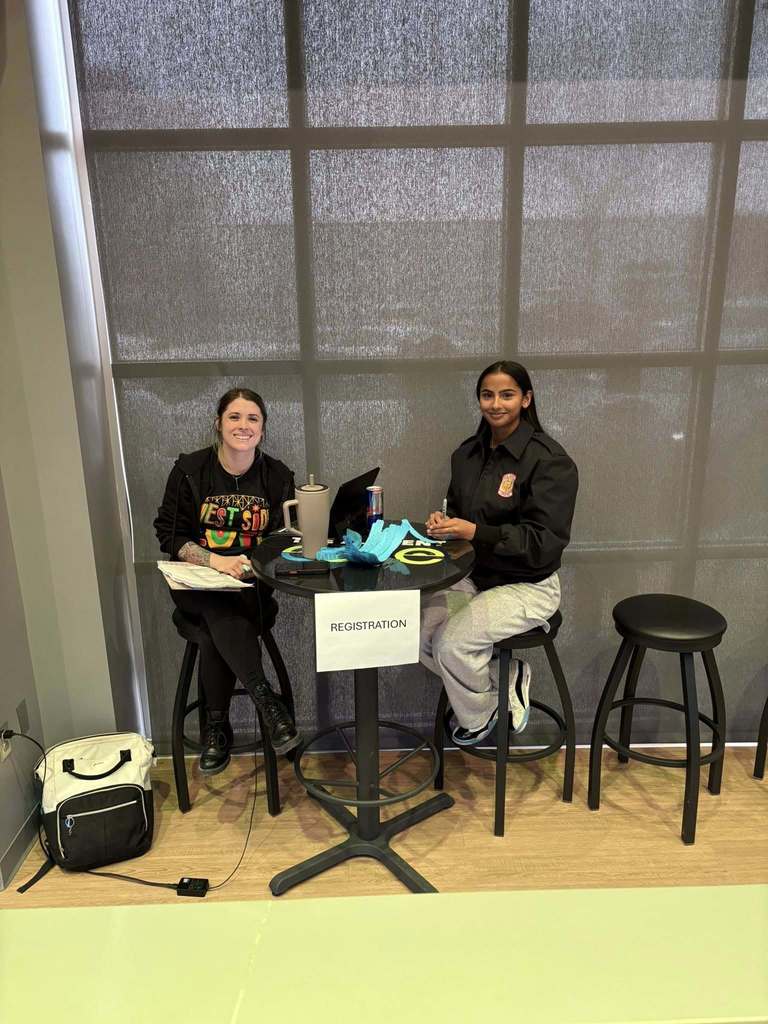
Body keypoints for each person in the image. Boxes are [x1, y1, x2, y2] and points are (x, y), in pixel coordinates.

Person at [421, 361, 578, 746]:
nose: (496, 404)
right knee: (414, 633)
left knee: (451, 644)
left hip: (529, 585)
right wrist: (446, 523)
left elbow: (544, 544)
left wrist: (475, 531)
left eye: (507, 395)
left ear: (526, 399)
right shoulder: (466, 455)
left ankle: (481, 713)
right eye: (487, 395)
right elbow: (460, 516)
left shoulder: (550, 461)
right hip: (473, 578)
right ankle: (503, 680)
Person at [154, 387, 300, 773]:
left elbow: (287, 537)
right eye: (234, 417)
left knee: (216, 629)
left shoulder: (278, 476)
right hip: (196, 585)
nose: (243, 425)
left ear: (263, 429)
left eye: (253, 418)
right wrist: (217, 562)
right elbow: (168, 534)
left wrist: (253, 563)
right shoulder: (189, 471)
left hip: (250, 589)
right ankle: (267, 702)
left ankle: (216, 728)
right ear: (218, 423)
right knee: (214, 602)